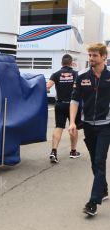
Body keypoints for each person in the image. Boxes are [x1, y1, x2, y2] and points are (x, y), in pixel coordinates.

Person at [69, 43, 110, 217]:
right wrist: (72, 122)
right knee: (94, 162)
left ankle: (93, 201)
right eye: (90, 55)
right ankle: (104, 188)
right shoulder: (82, 77)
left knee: (100, 160)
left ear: (103, 57)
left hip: (105, 126)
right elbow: (75, 100)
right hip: (88, 126)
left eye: (94, 55)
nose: (91, 58)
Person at [46, 54, 81, 163]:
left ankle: (54, 151)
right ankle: (73, 151)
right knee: (73, 127)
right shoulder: (76, 74)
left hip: (60, 104)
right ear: (71, 63)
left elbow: (47, 87)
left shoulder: (56, 74)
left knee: (59, 127)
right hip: (73, 105)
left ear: (62, 63)